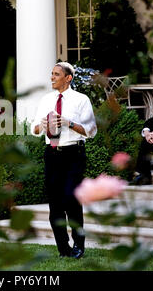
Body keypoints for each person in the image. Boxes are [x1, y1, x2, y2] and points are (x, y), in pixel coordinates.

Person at [31, 62, 97, 259]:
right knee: (55, 205)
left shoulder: (81, 100)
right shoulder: (45, 100)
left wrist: (69, 123)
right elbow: (33, 130)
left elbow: (91, 131)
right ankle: (63, 248)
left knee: (71, 199)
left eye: (56, 74)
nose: (52, 77)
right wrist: (41, 126)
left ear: (68, 78)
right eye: (51, 74)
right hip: (52, 154)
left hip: (73, 155)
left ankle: (79, 244)